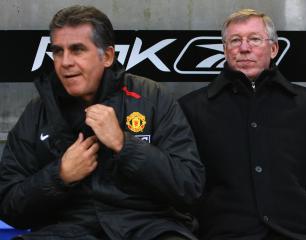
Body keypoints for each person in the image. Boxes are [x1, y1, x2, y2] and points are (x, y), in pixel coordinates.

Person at [0, 5, 205, 240]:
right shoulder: (38, 112)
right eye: (58, 51)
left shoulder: (152, 98)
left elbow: (189, 187)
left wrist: (124, 145)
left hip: (147, 227)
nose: (65, 62)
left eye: (77, 50)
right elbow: (9, 206)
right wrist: (59, 176)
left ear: (107, 56)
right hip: (66, 230)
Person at [179, 8, 306, 240]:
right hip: (225, 233)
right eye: (235, 41)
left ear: (273, 48)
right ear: (225, 50)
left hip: (302, 232)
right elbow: (184, 182)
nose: (244, 48)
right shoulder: (192, 108)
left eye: (254, 39)